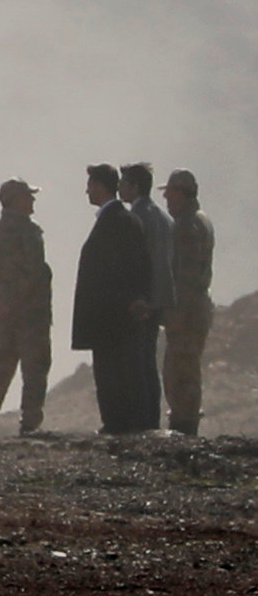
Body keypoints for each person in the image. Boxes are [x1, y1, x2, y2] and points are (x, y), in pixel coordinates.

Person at [73, 163, 156, 435]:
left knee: (113, 372)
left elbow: (124, 268)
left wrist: (127, 301)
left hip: (111, 316)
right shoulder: (121, 220)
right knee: (120, 370)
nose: (87, 190)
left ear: (99, 185)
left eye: (90, 184)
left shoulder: (116, 222)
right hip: (116, 313)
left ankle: (119, 424)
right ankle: (124, 423)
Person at [0, 177, 50, 436]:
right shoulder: (29, 232)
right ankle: (30, 423)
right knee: (35, 368)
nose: (32, 200)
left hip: (4, 310)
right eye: (28, 196)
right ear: (15, 200)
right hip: (30, 312)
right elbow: (34, 272)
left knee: (0, 367)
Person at [122, 163, 176, 432]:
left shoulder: (136, 217)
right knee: (148, 362)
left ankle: (141, 421)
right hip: (158, 301)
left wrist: (136, 298)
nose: (120, 188)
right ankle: (151, 419)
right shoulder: (163, 217)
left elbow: (136, 263)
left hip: (141, 302)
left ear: (134, 186)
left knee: (137, 362)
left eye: (124, 183)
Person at [163, 170, 216, 436]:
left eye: (170, 192)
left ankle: (184, 424)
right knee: (186, 364)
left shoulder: (185, 226)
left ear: (182, 192)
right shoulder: (200, 220)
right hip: (197, 304)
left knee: (180, 368)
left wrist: (174, 312)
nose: (165, 198)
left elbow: (184, 275)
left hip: (187, 307)